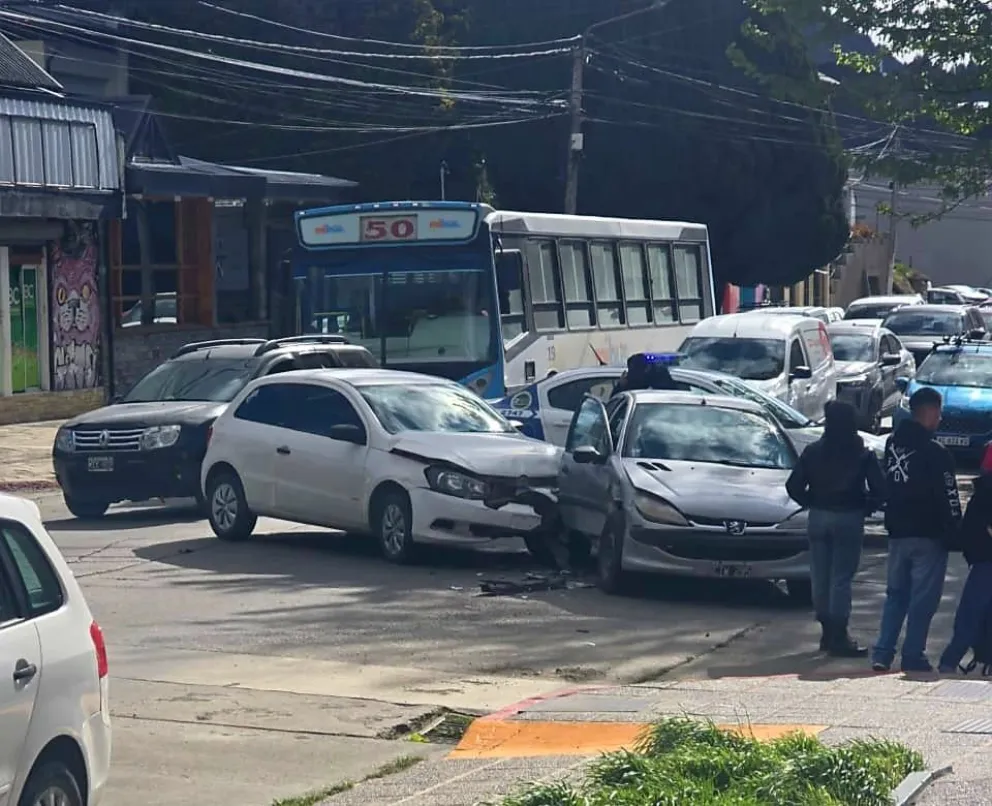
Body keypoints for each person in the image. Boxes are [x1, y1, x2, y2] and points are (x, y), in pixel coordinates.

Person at [872, 386, 963, 673]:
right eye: (939, 414)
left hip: (898, 530)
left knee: (896, 594)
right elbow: (949, 495)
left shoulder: (893, 444)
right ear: (933, 412)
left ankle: (883, 652)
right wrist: (955, 530)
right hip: (928, 533)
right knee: (923, 599)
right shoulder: (937, 453)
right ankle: (913, 654)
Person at [785, 400, 885, 656]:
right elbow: (881, 489)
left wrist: (811, 502)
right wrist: (866, 507)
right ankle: (839, 634)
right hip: (849, 516)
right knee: (841, 578)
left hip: (819, 516)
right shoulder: (861, 453)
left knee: (820, 575)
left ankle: (826, 630)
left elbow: (793, 486)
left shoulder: (813, 451)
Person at [938, 443, 992, 673]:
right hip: (985, 558)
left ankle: (950, 660)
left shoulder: (985, 494)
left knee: (972, 612)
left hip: (984, 558)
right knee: (978, 611)